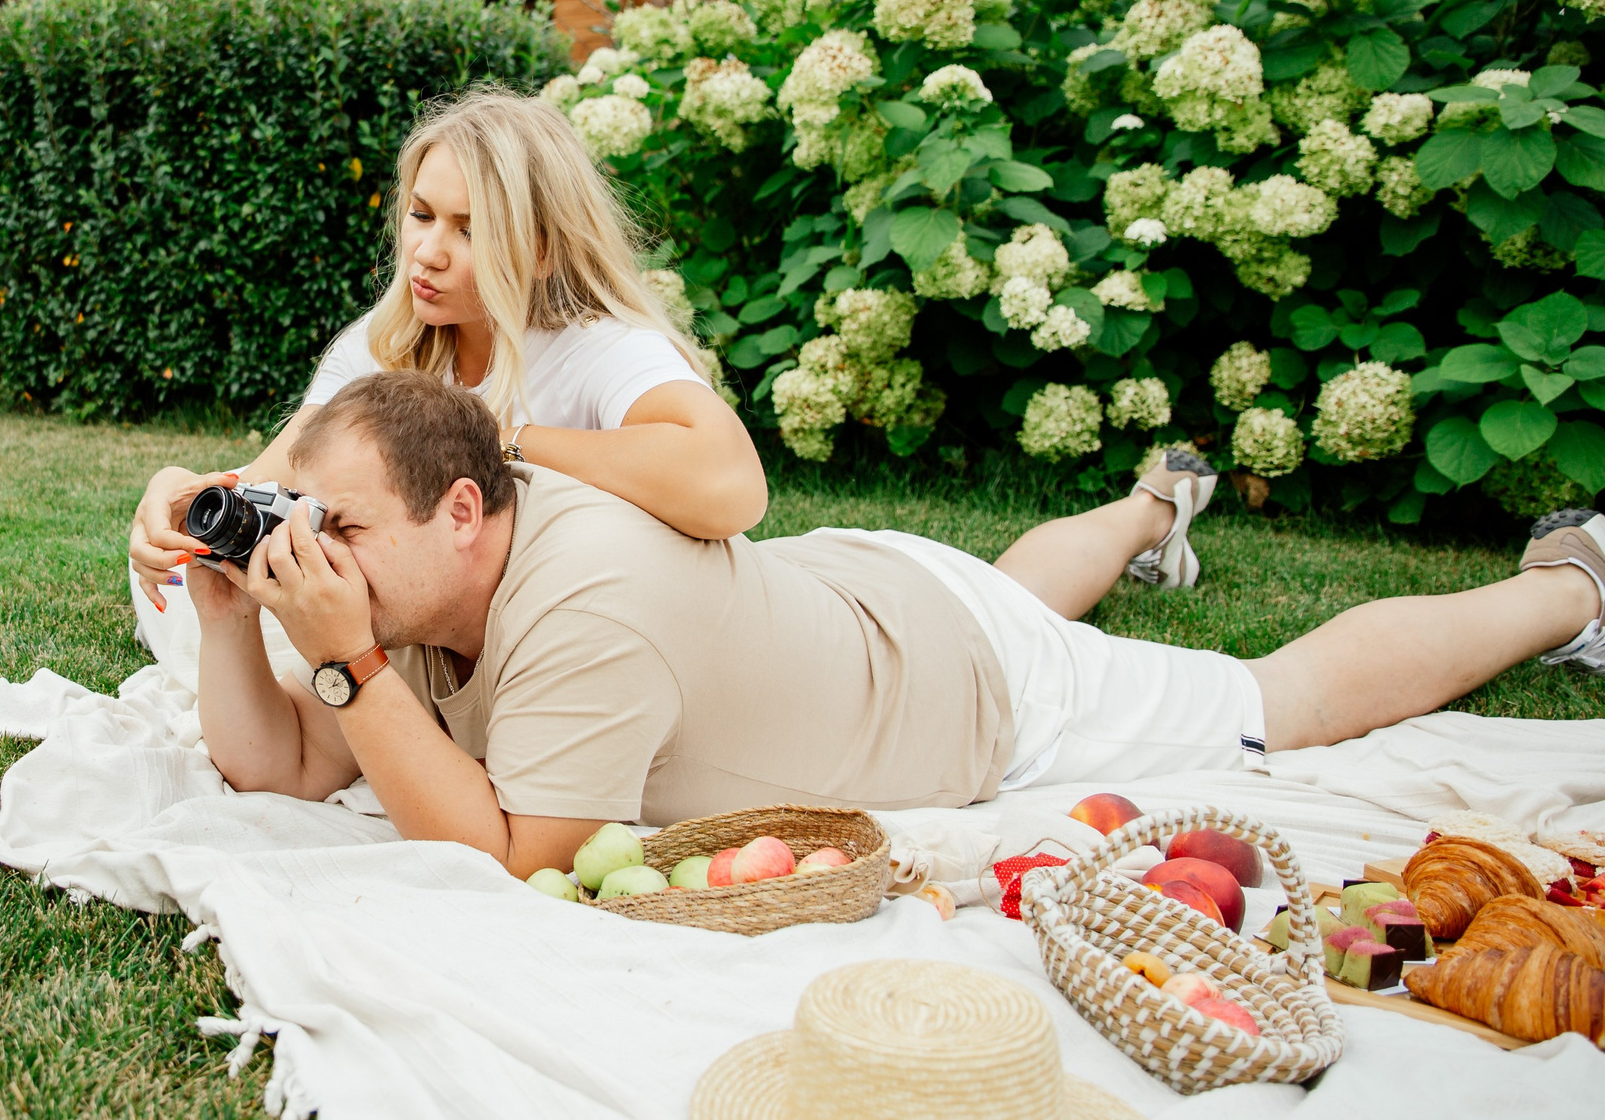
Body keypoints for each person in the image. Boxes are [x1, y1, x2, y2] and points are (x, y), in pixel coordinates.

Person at [183, 370, 1602, 877]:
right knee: (1026, 583)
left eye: (344, 529)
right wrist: (221, 605)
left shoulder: (580, 601)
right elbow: (295, 769)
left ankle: (1570, 583)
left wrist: (351, 661)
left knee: (1274, 695)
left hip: (970, 685)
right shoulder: (419, 571)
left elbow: (501, 855)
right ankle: (1154, 506)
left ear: (468, 516)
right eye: (301, 520)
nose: (315, 555)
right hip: (867, 596)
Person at [126, 88, 767, 673]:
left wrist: (502, 440)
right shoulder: (384, 342)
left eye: (470, 229)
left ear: (542, 248)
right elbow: (277, 475)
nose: (428, 252)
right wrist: (176, 496)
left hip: (584, 649)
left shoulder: (597, 346)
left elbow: (731, 485)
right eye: (421, 215)